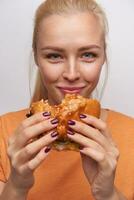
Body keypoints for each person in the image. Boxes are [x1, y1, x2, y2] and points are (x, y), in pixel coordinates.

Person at [0, 0, 134, 199]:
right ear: (36, 56)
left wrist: (107, 194)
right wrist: (17, 186)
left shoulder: (130, 134)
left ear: (104, 55)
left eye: (88, 54)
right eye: (54, 56)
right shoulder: (5, 131)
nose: (71, 74)